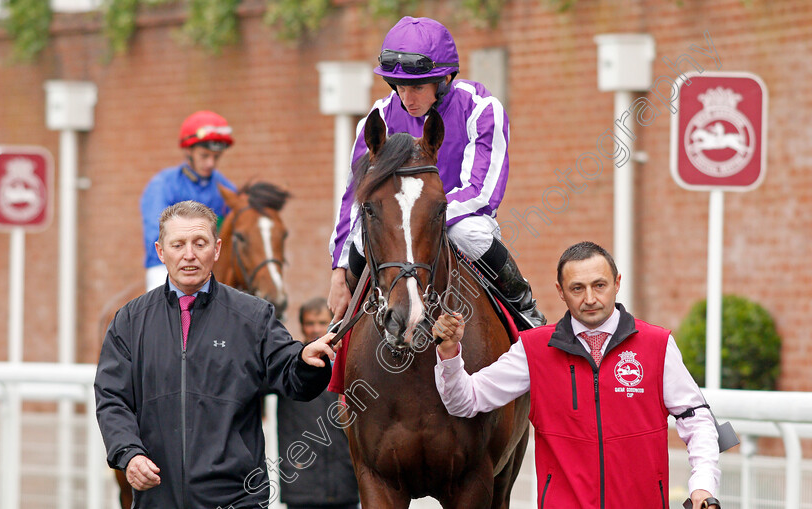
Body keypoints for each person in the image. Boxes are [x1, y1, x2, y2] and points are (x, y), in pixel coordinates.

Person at [432, 241, 721, 509]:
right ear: (560, 291)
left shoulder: (657, 345)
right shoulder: (533, 349)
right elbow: (464, 401)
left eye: (599, 285)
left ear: (617, 284)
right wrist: (449, 352)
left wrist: (703, 486)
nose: (590, 298)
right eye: (577, 288)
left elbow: (697, 420)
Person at [95, 201, 339, 509]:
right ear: (160, 251)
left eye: (200, 243)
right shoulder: (130, 321)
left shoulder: (253, 316)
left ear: (217, 248)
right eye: (178, 244)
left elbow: (292, 375)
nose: (189, 255)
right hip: (157, 497)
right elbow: (111, 398)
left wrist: (307, 361)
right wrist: (129, 453)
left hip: (237, 498)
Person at [328, 16, 545, 329]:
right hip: (392, 221)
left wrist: (422, 217)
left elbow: (482, 191)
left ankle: (524, 309)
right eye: (400, 87)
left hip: (458, 217)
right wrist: (338, 272)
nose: (407, 99)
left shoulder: (482, 109)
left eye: (417, 87)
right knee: (363, 240)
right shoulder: (378, 120)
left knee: (470, 234)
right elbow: (353, 199)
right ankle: (343, 328)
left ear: (444, 80)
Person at [276, 297, 360, 509]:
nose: (315, 329)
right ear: (302, 326)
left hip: (346, 484)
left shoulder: (349, 367)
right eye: (309, 323)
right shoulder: (288, 369)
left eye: (322, 323)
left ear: (332, 324)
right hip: (302, 485)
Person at [140, 110, 237, 291]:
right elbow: (156, 233)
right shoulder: (163, 185)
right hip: (167, 266)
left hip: (210, 266)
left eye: (216, 157)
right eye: (204, 156)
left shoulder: (226, 188)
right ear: (188, 150)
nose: (210, 164)